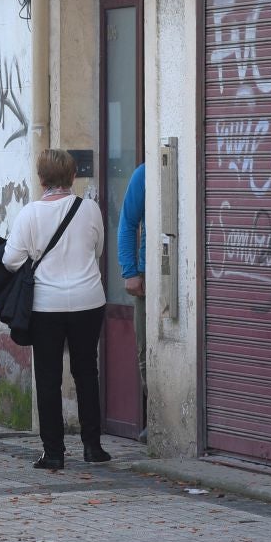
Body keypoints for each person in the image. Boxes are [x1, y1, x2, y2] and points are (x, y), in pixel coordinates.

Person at [4, 149, 109, 470]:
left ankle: (53, 453)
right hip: (88, 300)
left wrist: (36, 264)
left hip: (46, 305)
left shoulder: (30, 214)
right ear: (72, 177)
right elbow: (98, 248)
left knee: (48, 377)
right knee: (87, 371)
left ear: (41, 178)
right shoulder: (89, 209)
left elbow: (10, 260)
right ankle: (93, 447)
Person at [117, 163, 147, 441]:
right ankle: (156, 414)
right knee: (145, 351)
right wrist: (130, 271)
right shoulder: (144, 173)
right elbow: (128, 222)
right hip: (148, 279)